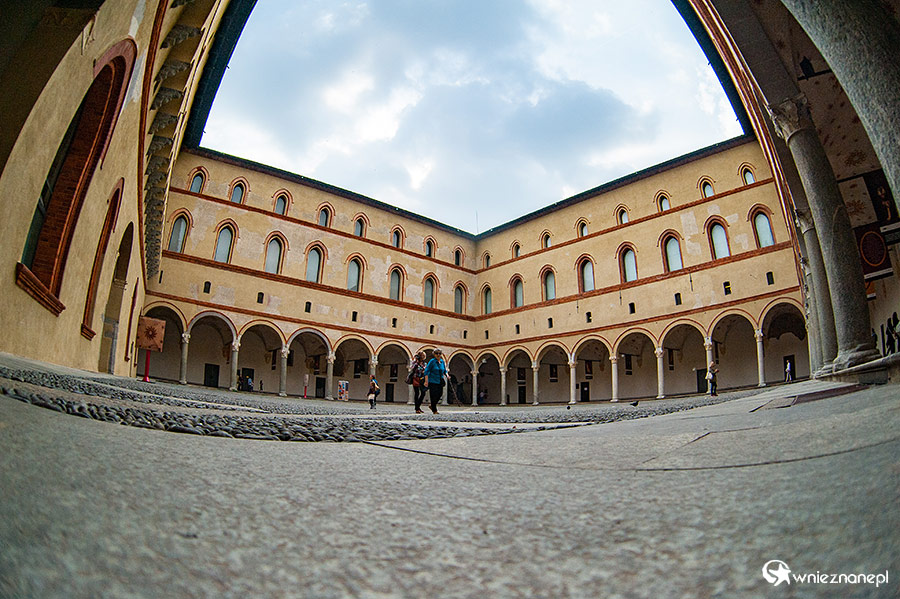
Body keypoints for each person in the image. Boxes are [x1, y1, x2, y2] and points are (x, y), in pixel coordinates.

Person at [423, 349, 447, 414]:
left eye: (439, 353)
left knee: (440, 394)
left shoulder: (442, 362)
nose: (438, 355)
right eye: (436, 353)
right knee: (433, 395)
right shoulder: (432, 361)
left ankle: (432, 405)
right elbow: (427, 371)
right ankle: (434, 410)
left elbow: (444, 370)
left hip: (440, 381)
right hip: (432, 380)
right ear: (434, 354)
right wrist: (426, 381)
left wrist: (447, 375)